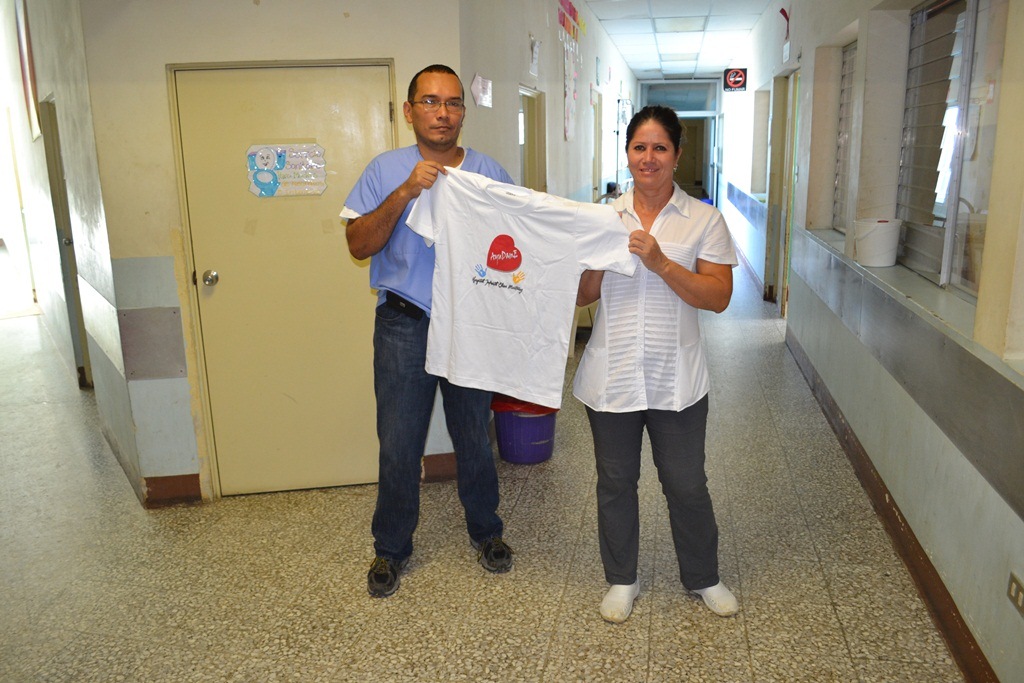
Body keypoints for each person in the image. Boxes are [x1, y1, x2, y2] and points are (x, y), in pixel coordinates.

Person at [341, 64, 514, 598]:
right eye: (431, 102)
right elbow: (358, 244)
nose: (443, 113)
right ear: (409, 110)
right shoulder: (384, 170)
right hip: (404, 322)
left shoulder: (488, 172)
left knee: (474, 437)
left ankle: (486, 532)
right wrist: (405, 193)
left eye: (453, 103)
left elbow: (518, 239)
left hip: (469, 323)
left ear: (463, 112)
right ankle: (391, 547)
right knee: (399, 442)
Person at [573, 105, 739, 622]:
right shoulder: (603, 217)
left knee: (686, 484)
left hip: (677, 378)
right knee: (615, 483)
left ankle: (703, 576)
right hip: (613, 375)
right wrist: (598, 260)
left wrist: (661, 262)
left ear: (677, 155)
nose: (649, 158)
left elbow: (718, 297)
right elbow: (580, 296)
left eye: (660, 148)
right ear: (627, 153)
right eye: (639, 147)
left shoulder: (705, 220)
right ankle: (622, 578)